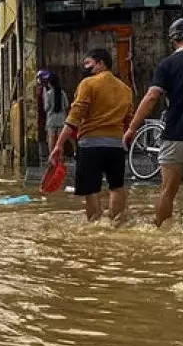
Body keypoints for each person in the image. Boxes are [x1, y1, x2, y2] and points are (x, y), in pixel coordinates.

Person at [124, 17, 183, 229]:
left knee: (167, 192)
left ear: (173, 40)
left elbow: (151, 97)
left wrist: (132, 128)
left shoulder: (167, 64)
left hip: (174, 134)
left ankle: (161, 233)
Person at [49, 48, 133, 223]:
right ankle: (115, 224)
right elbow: (128, 121)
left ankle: (95, 225)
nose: (85, 67)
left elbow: (74, 118)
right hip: (116, 146)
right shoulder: (125, 89)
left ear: (101, 63)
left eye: (88, 63)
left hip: (90, 145)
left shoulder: (88, 84)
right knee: (117, 186)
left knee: (90, 189)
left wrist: (59, 145)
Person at [39, 70, 69, 160]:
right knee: (60, 139)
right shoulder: (62, 93)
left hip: (51, 119)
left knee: (51, 138)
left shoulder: (48, 94)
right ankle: (60, 157)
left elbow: (46, 108)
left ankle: (51, 157)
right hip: (61, 119)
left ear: (50, 83)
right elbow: (66, 105)